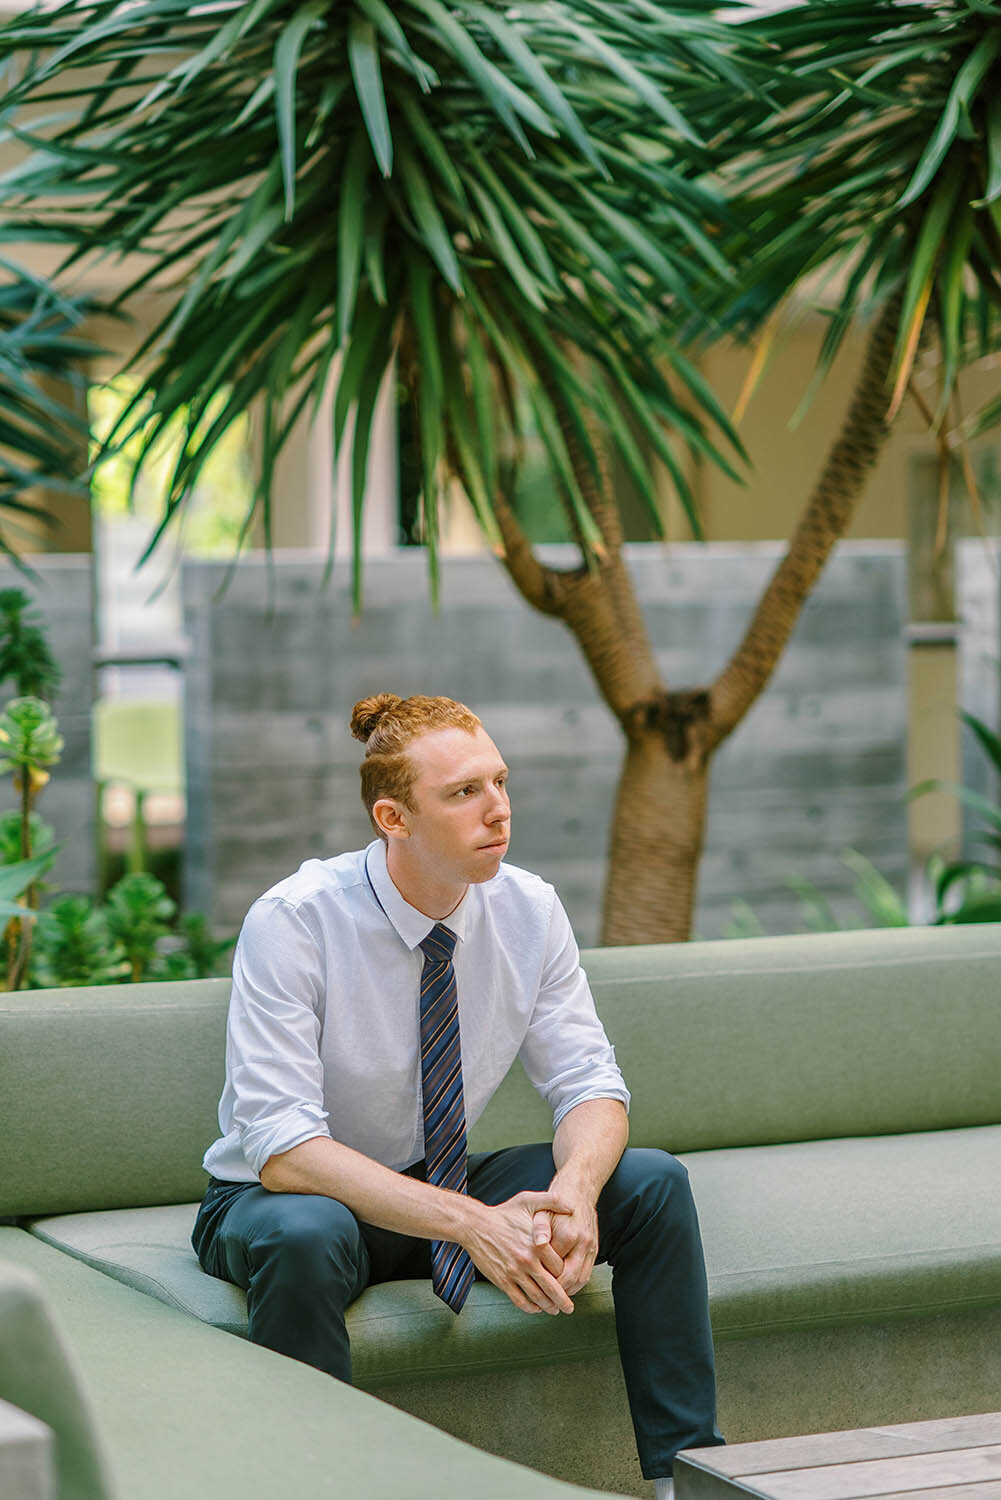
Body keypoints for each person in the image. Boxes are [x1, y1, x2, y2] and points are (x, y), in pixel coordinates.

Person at [192, 693, 722, 1497]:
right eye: (462, 792)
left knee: (650, 1185)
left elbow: (588, 1083)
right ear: (392, 818)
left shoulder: (529, 909)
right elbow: (283, 1148)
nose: (497, 810)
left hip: (434, 1181)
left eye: (500, 782)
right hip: (286, 1199)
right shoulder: (295, 922)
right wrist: (476, 1225)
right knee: (305, 1234)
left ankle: (685, 1479)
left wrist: (574, 1194)